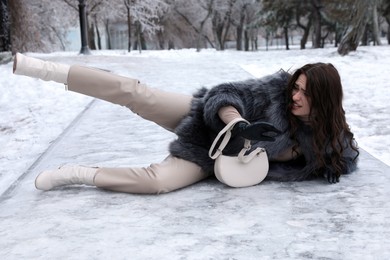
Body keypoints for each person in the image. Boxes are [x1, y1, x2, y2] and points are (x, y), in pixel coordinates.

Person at [13, 53, 359, 194]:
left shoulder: (329, 136)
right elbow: (225, 93)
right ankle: (46, 70)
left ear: (324, 100)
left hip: (214, 159)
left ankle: (76, 174)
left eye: (304, 93)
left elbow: (345, 154)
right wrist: (237, 123)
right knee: (137, 94)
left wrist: (328, 163)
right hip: (203, 118)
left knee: (157, 182)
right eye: (295, 87)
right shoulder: (275, 91)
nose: (295, 96)